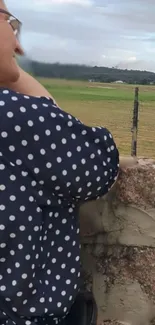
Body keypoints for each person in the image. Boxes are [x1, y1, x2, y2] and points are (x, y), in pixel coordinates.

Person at [0, 1, 119, 324]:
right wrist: (14, 78)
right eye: (10, 23)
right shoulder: (12, 118)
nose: (19, 44)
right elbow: (99, 164)